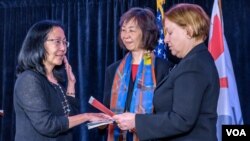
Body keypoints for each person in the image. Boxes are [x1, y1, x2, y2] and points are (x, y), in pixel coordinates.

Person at [113, 3, 220, 141]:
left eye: (170, 32)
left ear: (189, 30)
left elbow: (182, 119)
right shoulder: (195, 60)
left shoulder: (193, 65)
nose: (166, 39)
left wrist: (136, 121)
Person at [13, 20, 110, 141]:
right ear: (38, 44)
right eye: (57, 42)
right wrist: (87, 116)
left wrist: (71, 84)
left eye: (64, 42)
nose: (63, 48)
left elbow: (69, 118)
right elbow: (47, 125)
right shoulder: (29, 79)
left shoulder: (55, 81)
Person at [102, 7, 173, 141]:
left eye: (132, 30)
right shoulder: (113, 70)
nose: (125, 35)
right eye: (123, 30)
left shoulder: (164, 69)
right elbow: (107, 109)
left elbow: (167, 116)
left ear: (146, 33)